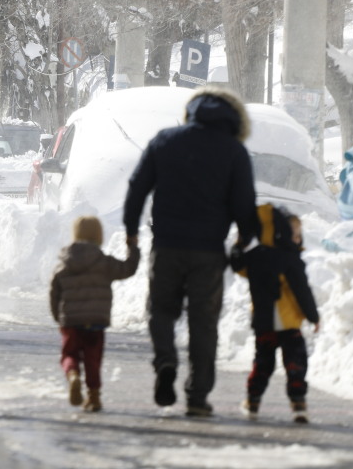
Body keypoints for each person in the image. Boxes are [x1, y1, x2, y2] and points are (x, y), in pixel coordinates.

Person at [122, 86, 259, 417]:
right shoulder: (234, 151)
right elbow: (244, 203)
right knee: (203, 323)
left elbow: (138, 186)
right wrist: (245, 238)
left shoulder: (165, 140)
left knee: (160, 310)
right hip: (208, 252)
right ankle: (197, 396)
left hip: (166, 245)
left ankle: (165, 360)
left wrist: (131, 230)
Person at [229, 204, 320, 424]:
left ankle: (253, 400)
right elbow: (302, 291)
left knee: (263, 364)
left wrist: (239, 245)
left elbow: (238, 266)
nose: (297, 238)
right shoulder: (291, 259)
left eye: (299, 234)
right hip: (289, 324)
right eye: (294, 234)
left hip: (264, 323)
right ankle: (298, 404)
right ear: (282, 232)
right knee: (295, 364)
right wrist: (313, 316)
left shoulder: (255, 257)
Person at [49, 215, 140, 412]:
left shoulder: (64, 264)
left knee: (69, 354)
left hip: (71, 322)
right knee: (93, 359)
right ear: (99, 235)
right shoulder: (104, 262)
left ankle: (73, 375)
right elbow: (128, 269)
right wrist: (133, 247)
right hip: (96, 321)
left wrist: (58, 317)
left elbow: (54, 293)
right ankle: (94, 397)